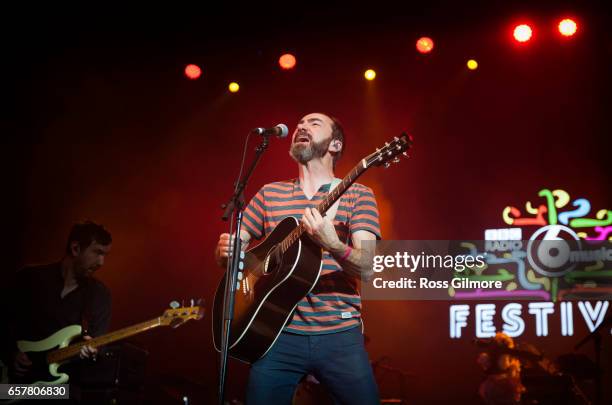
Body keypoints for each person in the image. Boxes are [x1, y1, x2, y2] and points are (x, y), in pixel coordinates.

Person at [215, 113, 381, 404]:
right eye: (299, 124)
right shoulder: (270, 194)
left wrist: (332, 243)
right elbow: (235, 257)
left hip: (339, 335)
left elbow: (366, 268)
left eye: (314, 123)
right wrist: (225, 252)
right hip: (276, 336)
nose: (301, 127)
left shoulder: (358, 194)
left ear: (335, 145)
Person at [1, 220, 112, 384]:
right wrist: (10, 352)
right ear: (75, 248)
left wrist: (93, 351)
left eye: (105, 255)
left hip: (61, 388)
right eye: (97, 252)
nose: (101, 262)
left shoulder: (99, 295)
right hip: (11, 382)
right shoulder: (29, 278)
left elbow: (99, 345)